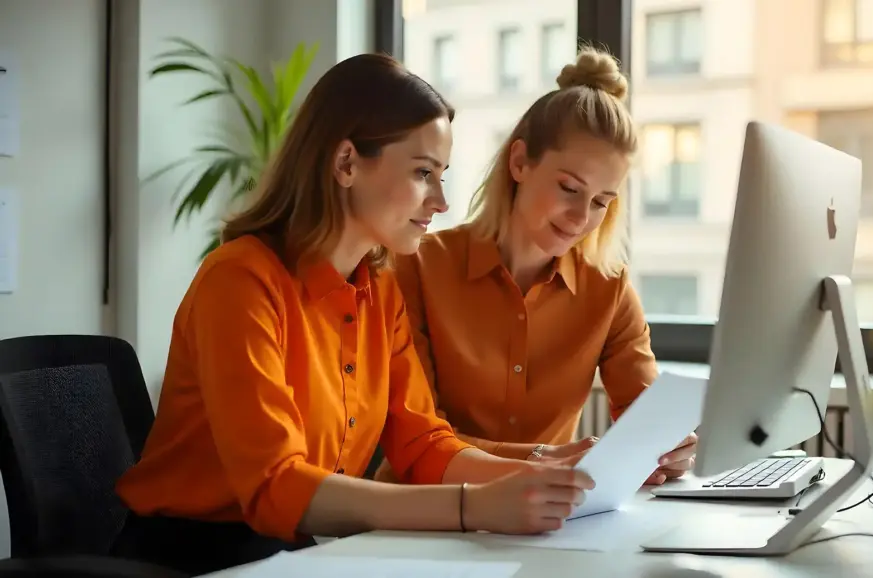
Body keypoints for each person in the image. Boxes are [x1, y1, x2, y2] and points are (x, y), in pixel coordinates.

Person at [109, 53, 594, 577]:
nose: (440, 202)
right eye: (423, 173)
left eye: (442, 176)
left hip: (292, 550)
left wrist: (545, 471)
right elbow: (276, 485)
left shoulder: (379, 289)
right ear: (345, 164)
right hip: (191, 556)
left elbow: (421, 444)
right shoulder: (240, 280)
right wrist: (470, 506)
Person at [377, 48, 697, 486]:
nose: (582, 217)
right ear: (519, 162)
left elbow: (646, 425)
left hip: (545, 521)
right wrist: (545, 459)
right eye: (569, 188)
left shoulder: (609, 289)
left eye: (603, 201)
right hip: (423, 513)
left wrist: (668, 449)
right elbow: (417, 437)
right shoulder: (417, 267)